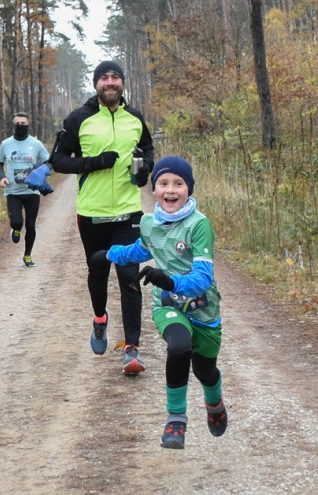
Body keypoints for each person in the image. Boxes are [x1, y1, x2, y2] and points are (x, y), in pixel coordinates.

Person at [91, 156, 226, 449]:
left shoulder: (199, 225)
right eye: (163, 183)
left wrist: (170, 280)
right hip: (168, 304)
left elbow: (203, 278)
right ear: (154, 189)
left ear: (189, 189)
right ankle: (176, 418)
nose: (171, 190)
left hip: (204, 310)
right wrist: (110, 254)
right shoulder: (150, 223)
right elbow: (140, 249)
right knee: (179, 346)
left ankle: (214, 402)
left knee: (205, 371)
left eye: (179, 184)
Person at [49, 60, 154, 375]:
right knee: (97, 272)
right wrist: (92, 163)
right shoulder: (79, 119)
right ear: (96, 84)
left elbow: (147, 149)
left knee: (129, 278)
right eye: (105, 77)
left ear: (122, 84)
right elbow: (57, 160)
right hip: (92, 213)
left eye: (116, 77)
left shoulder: (134, 118)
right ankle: (99, 319)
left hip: (128, 212)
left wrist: (144, 165)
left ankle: (132, 349)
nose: (110, 82)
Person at [0, 112, 50, 268]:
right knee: (17, 221)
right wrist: (2, 177)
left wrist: (41, 175)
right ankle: (16, 229)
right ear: (13, 125)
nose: (20, 126)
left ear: (28, 125)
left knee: (31, 226)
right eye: (17, 123)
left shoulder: (36, 144)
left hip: (32, 191)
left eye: (23, 123)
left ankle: (27, 255)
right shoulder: (6, 144)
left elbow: (48, 162)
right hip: (13, 191)